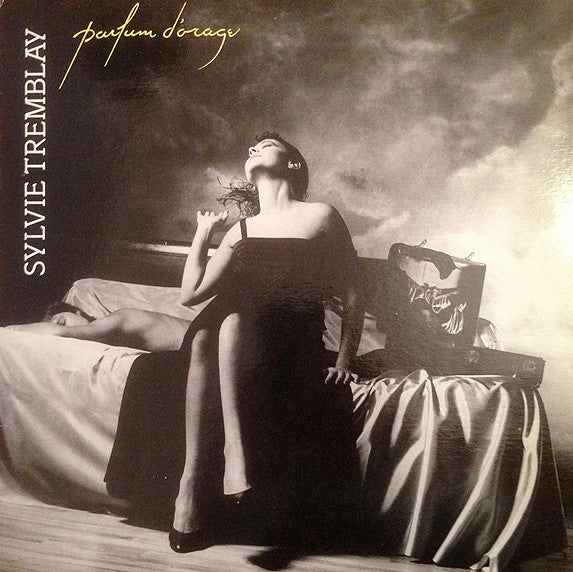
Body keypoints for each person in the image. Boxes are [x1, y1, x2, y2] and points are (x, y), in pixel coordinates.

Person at [105, 132, 365, 552]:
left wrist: (345, 359)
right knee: (226, 315)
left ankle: (217, 465)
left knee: (225, 318)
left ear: (293, 164)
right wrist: (203, 233)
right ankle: (201, 478)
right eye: (251, 148)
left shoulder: (321, 215)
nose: (254, 149)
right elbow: (191, 295)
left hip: (292, 338)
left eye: (267, 144)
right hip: (239, 336)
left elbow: (353, 293)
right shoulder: (241, 229)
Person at [5, 301, 191, 352]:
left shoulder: (117, 319)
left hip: (205, 344)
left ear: (77, 312)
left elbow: (60, 333)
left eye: (62, 320)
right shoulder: (110, 338)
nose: (62, 326)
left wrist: (7, 331)